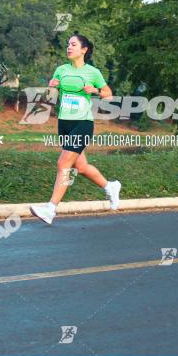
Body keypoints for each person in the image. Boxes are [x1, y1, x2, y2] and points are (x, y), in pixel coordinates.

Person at [29, 33, 121, 225]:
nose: (69, 48)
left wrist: (94, 91)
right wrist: (51, 87)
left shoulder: (92, 72)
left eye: (73, 45)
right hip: (64, 123)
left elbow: (109, 95)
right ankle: (110, 186)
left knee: (63, 164)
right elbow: (50, 96)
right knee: (81, 167)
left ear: (84, 50)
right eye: (68, 45)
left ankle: (51, 208)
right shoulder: (61, 70)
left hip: (82, 124)